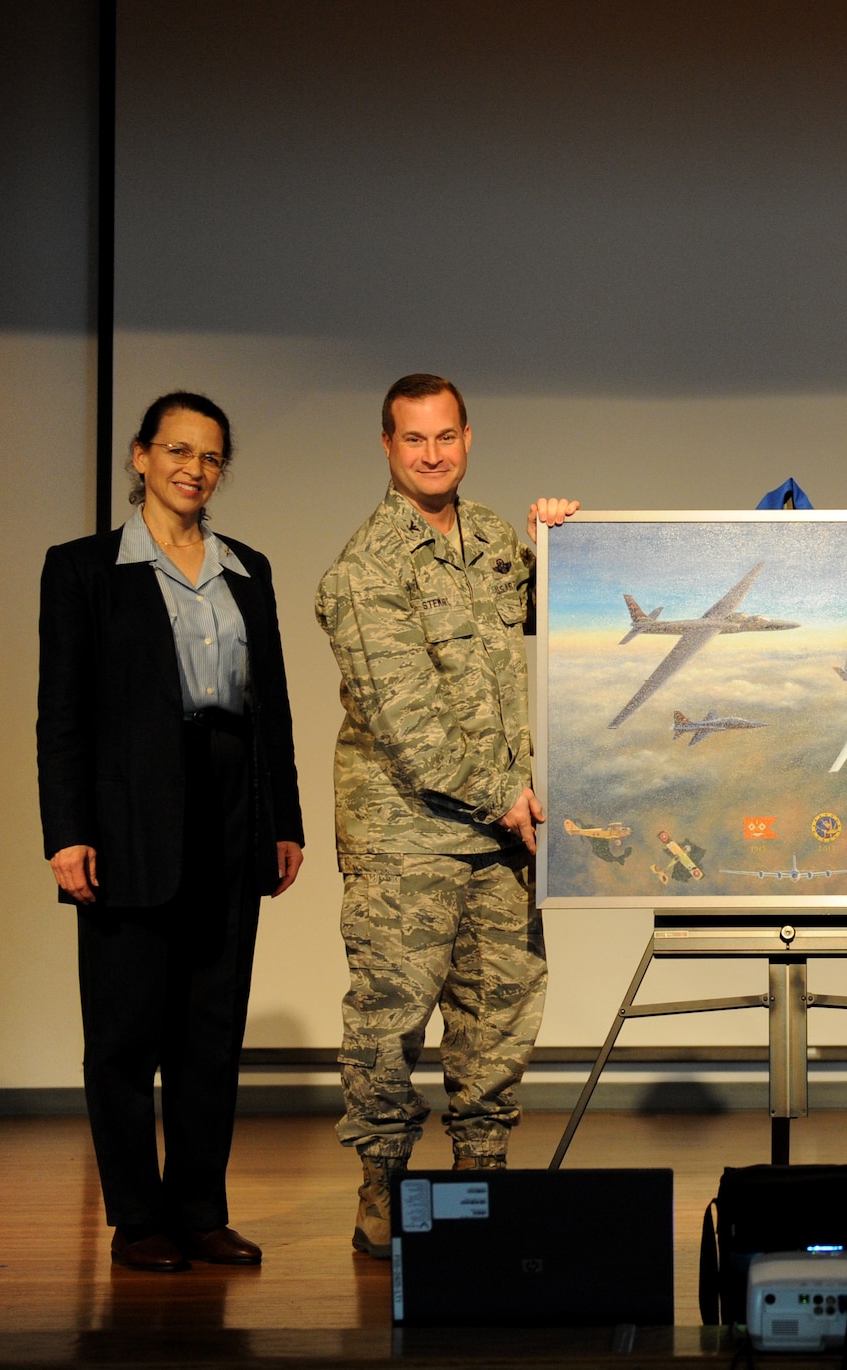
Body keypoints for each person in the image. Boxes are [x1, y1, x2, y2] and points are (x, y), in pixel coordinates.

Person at [38, 392, 306, 1274]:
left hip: (231, 799)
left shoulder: (247, 568)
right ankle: (137, 1218)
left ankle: (199, 1208)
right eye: (178, 450)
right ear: (140, 457)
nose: (195, 469)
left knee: (211, 1023)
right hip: (128, 813)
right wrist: (68, 831)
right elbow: (62, 716)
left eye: (211, 456)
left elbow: (271, 707)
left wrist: (285, 821)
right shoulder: (82, 570)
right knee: (124, 1032)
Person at [316, 372, 578, 1258]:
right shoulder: (366, 571)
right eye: (413, 440)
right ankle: (383, 1190)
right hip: (407, 840)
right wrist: (507, 796)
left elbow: (564, 622)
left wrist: (565, 546)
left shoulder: (498, 540)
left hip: (500, 838)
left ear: (469, 438)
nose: (433, 455)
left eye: (447, 437)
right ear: (387, 447)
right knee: (389, 1023)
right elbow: (410, 726)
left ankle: (480, 1181)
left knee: (498, 1016)